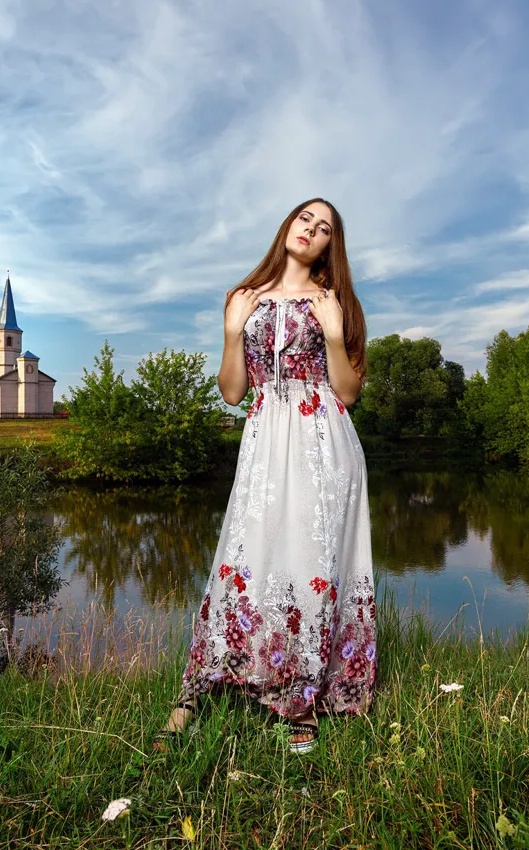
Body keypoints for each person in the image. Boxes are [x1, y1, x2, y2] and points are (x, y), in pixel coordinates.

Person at [154, 198, 376, 755]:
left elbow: (348, 394)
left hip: (323, 442)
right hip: (263, 443)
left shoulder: (335, 302)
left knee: (311, 564)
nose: (312, 231)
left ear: (330, 245)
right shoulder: (243, 299)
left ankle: (302, 705)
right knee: (242, 555)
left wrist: (330, 335)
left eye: (325, 229)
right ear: (287, 226)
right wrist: (232, 333)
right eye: (307, 219)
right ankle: (196, 693)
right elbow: (233, 393)